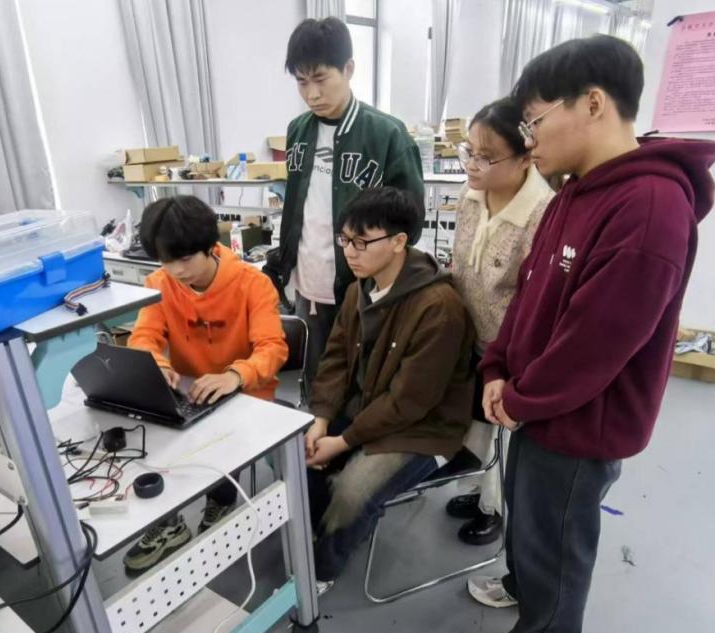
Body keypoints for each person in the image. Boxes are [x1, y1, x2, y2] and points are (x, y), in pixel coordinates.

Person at [466, 35, 715, 633]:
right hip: (536, 402)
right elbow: (529, 294)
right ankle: (524, 586)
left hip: (584, 419)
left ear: (593, 103)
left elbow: (596, 342)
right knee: (528, 509)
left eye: (534, 120)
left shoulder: (650, 207)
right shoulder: (576, 191)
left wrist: (521, 397)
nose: (528, 138)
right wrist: (498, 368)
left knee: (558, 528)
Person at [305, 187, 475, 590]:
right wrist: (321, 419)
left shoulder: (438, 307)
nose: (350, 252)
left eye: (362, 242)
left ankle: (322, 570)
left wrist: (341, 441)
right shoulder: (357, 290)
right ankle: (321, 530)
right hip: (366, 410)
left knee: (353, 492)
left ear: (399, 242)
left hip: (421, 429)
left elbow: (409, 402)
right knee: (297, 452)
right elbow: (335, 359)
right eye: (345, 240)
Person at [124, 195, 288, 572]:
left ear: (209, 246)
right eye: (165, 260)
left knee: (218, 445)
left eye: (184, 259)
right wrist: (157, 364)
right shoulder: (159, 283)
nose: (175, 270)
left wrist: (235, 375)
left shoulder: (253, 284)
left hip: (247, 395)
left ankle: (221, 499)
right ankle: (169, 522)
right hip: (191, 392)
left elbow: (272, 348)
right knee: (149, 436)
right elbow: (144, 337)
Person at [281, 16, 425, 390]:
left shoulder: (387, 134)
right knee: (317, 378)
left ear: (348, 69)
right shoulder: (298, 131)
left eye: (320, 78)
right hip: (308, 280)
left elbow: (411, 220)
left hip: (361, 284)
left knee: (362, 381)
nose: (312, 93)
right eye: (301, 81)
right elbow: (297, 207)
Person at [445, 98, 554, 547]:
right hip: (468, 336)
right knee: (475, 425)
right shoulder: (470, 196)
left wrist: (506, 360)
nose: (472, 165)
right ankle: (478, 492)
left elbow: (534, 298)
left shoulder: (542, 214)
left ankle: (494, 509)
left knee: (501, 430)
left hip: (510, 349)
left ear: (526, 157)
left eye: (486, 157)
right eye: (468, 152)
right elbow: (460, 263)